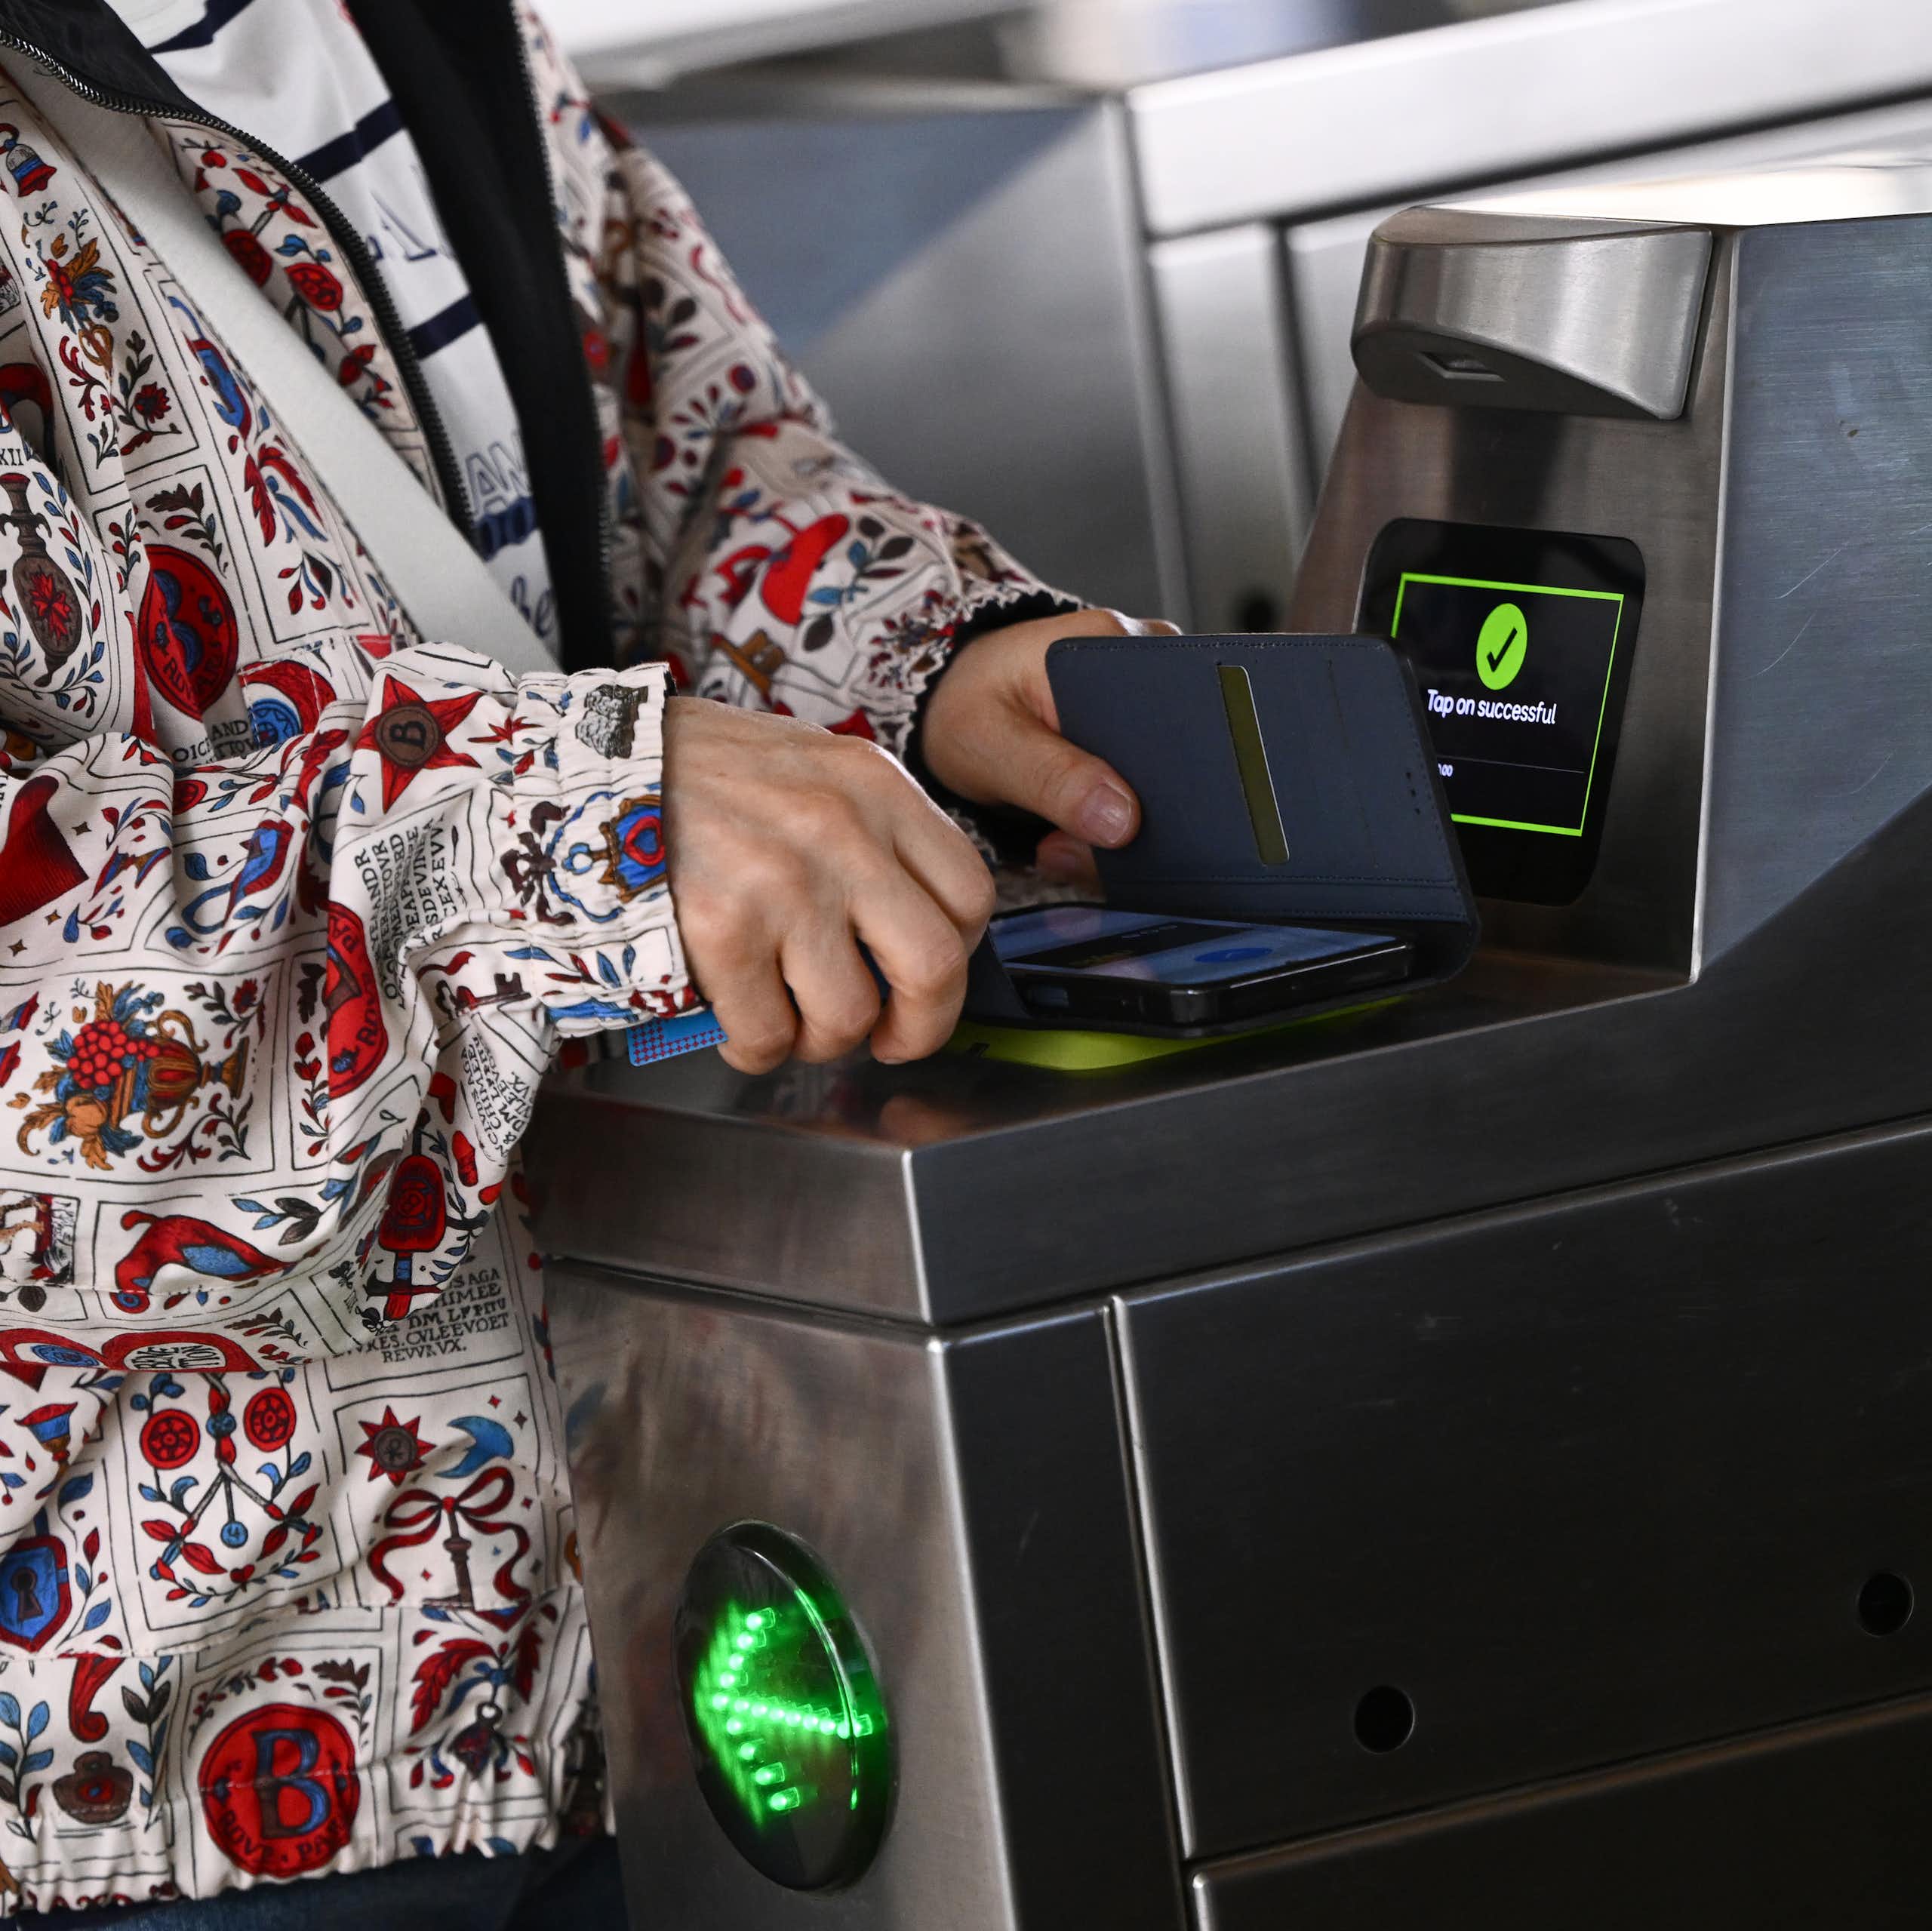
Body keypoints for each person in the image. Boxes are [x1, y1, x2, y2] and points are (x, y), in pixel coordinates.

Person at [0, 0, 1167, 1923]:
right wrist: (575, 825)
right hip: (211, 1767)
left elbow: (689, 467)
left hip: (713, 1563)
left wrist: (928, 665)